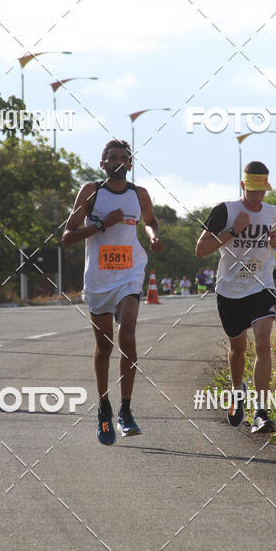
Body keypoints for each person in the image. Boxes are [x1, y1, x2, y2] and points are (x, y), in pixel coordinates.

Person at [63, 139, 163, 445]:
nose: (119, 162)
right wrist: (101, 226)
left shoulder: (140, 194)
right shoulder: (91, 192)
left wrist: (153, 235)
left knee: (128, 337)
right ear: (103, 163)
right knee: (104, 346)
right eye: (112, 158)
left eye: (124, 158)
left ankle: (126, 410)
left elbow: (151, 221)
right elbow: (67, 236)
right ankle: (104, 407)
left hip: (130, 274)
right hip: (98, 279)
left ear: (130, 164)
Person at [195, 161, 276, 434]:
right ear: (243, 185)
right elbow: (200, 249)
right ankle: (237, 391)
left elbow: (274, 247)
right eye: (252, 190)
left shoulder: (272, 212)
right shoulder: (226, 211)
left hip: (261, 285)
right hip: (230, 290)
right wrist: (232, 231)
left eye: (262, 191)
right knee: (238, 349)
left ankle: (261, 412)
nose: (257, 196)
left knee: (264, 343)